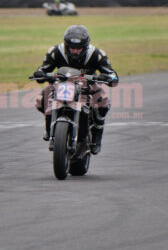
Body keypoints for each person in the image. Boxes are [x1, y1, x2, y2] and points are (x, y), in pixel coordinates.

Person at [33, 25, 119, 155]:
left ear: (86, 46)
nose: (75, 51)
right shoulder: (55, 51)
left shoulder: (97, 54)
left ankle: (96, 135)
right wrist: (40, 73)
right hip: (60, 83)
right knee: (41, 98)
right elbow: (44, 68)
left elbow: (113, 75)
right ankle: (49, 124)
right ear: (66, 45)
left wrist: (107, 77)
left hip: (87, 86)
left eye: (79, 48)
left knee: (103, 102)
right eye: (72, 48)